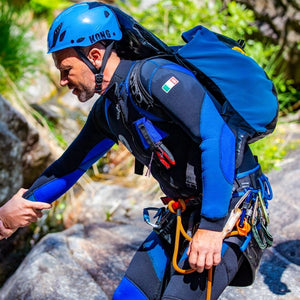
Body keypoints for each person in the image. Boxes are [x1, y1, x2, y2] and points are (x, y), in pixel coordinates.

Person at [0, 2, 275, 299]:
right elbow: (70, 167)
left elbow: (217, 136)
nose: (63, 81)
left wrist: (211, 226)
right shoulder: (108, 110)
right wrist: (7, 218)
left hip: (229, 211)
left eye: (66, 70)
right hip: (183, 214)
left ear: (94, 56)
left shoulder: (155, 77)